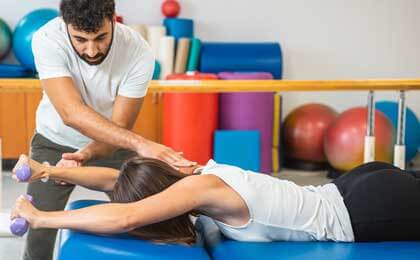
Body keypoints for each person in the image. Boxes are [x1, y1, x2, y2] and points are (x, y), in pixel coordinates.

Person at [26, 0, 192, 259]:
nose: (91, 50)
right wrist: (140, 144)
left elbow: (121, 125)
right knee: (40, 231)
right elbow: (70, 113)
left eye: (101, 37)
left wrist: (89, 152)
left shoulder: (138, 51)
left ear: (113, 18)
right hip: (53, 140)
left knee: (147, 217)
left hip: (112, 142)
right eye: (80, 40)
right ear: (65, 25)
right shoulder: (47, 38)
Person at [11, 155, 420, 245]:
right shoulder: (191, 172)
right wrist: (51, 172)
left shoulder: (196, 190)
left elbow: (126, 215)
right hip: (359, 185)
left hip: (365, 211)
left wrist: (41, 218)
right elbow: (117, 179)